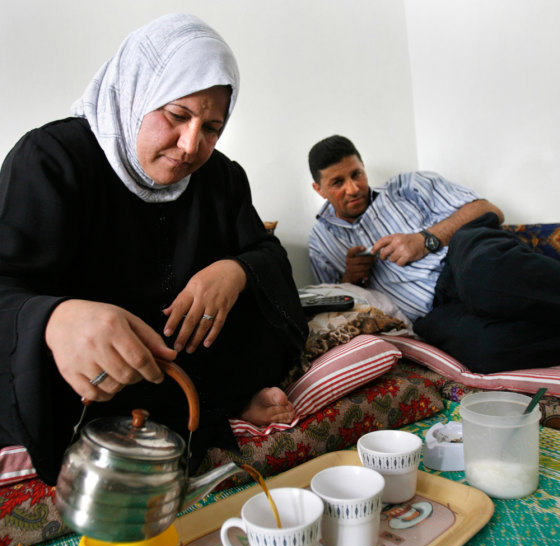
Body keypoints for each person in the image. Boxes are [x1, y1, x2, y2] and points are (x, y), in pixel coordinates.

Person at [0, 14, 308, 485]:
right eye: (177, 115)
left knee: (267, 302)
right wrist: (54, 319)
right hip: (93, 379)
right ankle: (211, 402)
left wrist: (235, 270)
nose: (190, 146)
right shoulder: (51, 160)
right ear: (135, 92)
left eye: (212, 128)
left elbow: (268, 256)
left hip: (189, 357)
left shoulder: (222, 177)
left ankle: (217, 398)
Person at [308, 134, 560, 374]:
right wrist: (351, 278)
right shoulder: (321, 240)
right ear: (319, 189)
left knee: (483, 281)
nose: (353, 189)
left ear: (363, 167)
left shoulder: (407, 186)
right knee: (486, 349)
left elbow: (489, 210)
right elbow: (334, 304)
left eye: (356, 174)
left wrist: (425, 239)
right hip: (433, 311)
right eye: (338, 183)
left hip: (464, 258)